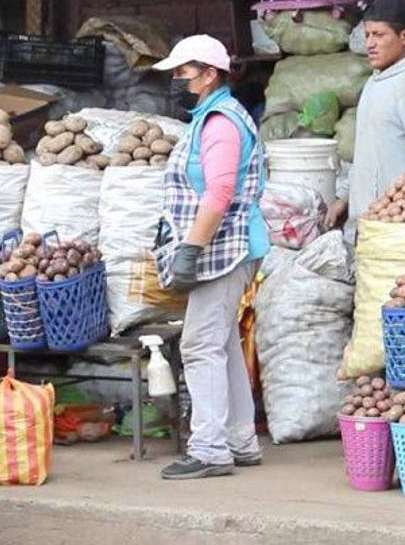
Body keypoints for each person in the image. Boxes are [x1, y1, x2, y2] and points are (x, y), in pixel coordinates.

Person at [151, 35, 269, 480]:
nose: (176, 81)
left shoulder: (220, 121)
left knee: (199, 344)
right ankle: (240, 441)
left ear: (209, 74)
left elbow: (218, 195)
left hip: (226, 248)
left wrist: (189, 249)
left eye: (182, 73)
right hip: (225, 245)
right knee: (220, 344)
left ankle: (210, 450)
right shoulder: (208, 116)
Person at [326, 0, 405, 239]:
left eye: (379, 35)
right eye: (367, 35)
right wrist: (345, 197)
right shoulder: (374, 82)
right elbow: (368, 152)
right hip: (370, 226)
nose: (370, 44)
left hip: (398, 228)